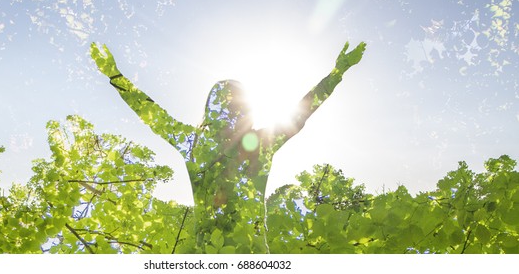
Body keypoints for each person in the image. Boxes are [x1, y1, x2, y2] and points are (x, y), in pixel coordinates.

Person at [91, 41, 366, 253]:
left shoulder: (253, 142)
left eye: (233, 105)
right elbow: (152, 113)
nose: (227, 110)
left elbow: (302, 110)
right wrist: (116, 77)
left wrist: (336, 73)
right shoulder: (199, 143)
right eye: (223, 103)